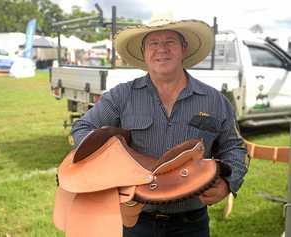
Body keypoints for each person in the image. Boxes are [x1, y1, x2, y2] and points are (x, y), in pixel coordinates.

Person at [71, 18, 248, 237]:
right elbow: (82, 128)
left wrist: (228, 183)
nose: (161, 49)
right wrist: (114, 158)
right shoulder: (122, 96)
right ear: (144, 52)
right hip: (135, 220)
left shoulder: (215, 101)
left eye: (170, 42)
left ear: (184, 48)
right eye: (153, 43)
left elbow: (235, 148)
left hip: (190, 222)